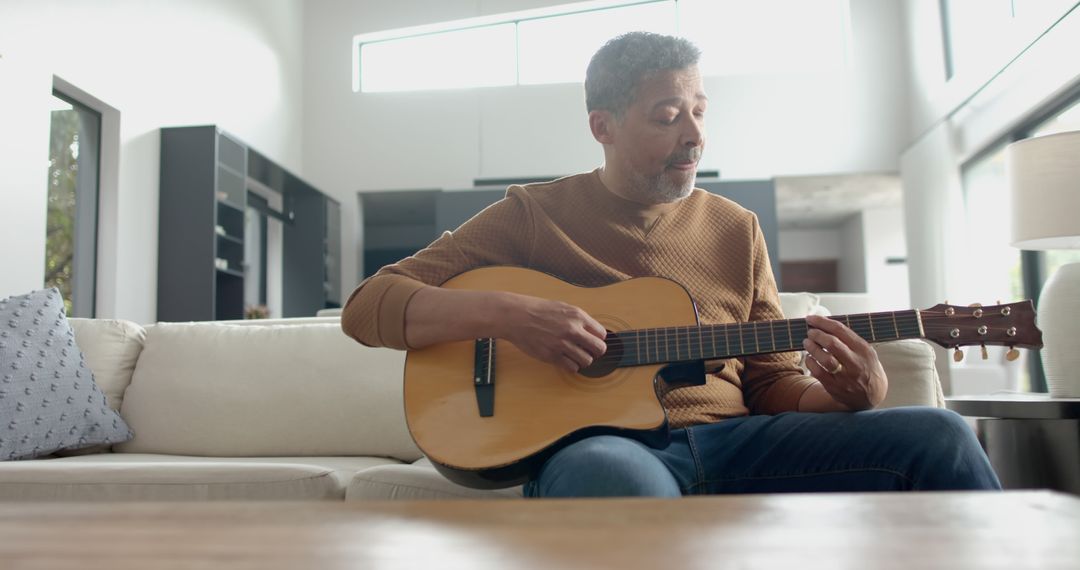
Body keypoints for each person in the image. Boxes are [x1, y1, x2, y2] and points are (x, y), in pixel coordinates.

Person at [341, 32, 1001, 497]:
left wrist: (848, 395)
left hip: (739, 443)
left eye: (699, 112)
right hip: (606, 450)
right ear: (603, 126)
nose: (694, 135)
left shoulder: (735, 229)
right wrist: (510, 315)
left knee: (937, 435)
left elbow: (772, 386)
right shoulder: (532, 215)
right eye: (667, 116)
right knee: (610, 478)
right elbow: (367, 306)